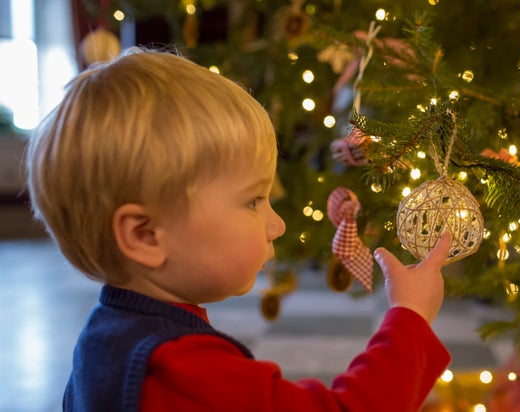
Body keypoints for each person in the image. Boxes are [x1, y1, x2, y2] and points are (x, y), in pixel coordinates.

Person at [25, 48, 453, 411]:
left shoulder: (105, 337)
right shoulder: (184, 372)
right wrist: (409, 320)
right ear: (145, 236)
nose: (277, 224)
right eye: (252, 200)